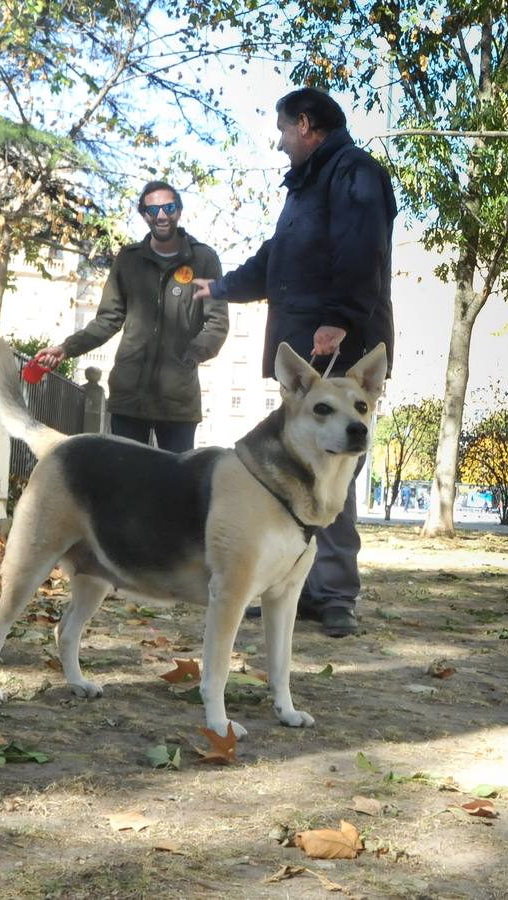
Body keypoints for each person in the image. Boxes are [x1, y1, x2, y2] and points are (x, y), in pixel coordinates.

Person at [192, 87, 396, 637]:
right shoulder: (305, 187)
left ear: (306, 125)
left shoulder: (354, 173)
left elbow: (363, 250)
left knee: (333, 474)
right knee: (294, 472)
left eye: (284, 130)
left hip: (340, 348)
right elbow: (274, 260)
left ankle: (334, 595)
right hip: (307, 349)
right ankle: (294, 585)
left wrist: (339, 318)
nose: (281, 143)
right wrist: (221, 287)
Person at [32, 181, 227, 452]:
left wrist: (192, 354)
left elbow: (217, 323)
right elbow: (107, 320)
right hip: (129, 396)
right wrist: (66, 348)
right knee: (125, 485)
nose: (161, 215)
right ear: (144, 215)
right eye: (153, 209)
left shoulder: (203, 259)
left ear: (179, 212)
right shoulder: (129, 259)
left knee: (178, 488)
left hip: (179, 401)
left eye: (168, 208)